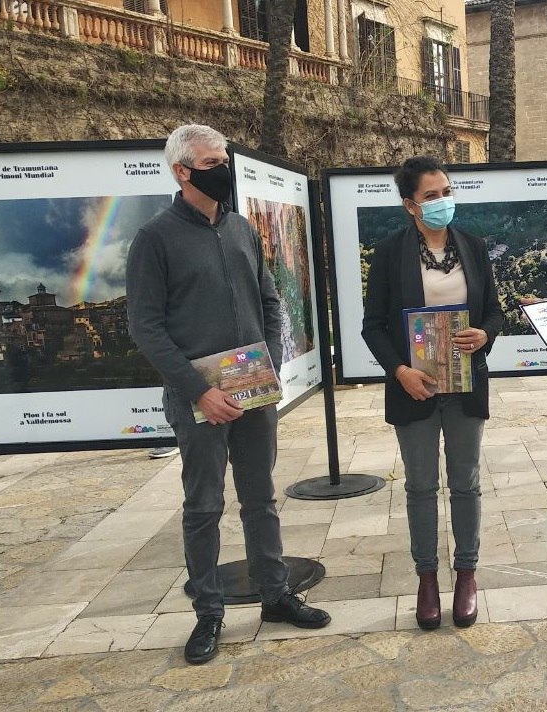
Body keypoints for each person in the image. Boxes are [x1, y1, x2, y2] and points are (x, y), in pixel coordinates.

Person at [126, 124, 330, 665]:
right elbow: (145, 326)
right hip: (199, 399)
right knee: (203, 506)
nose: (225, 169)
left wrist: (269, 361)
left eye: (225, 159)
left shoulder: (240, 227)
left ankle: (275, 593)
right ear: (182, 171)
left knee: (260, 498)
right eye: (213, 162)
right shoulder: (155, 239)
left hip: (251, 389)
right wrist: (200, 391)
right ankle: (208, 612)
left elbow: (267, 299)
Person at [361, 155, 502, 630]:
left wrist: (484, 334)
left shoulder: (474, 247)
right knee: (421, 486)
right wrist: (400, 370)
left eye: (446, 191)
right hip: (414, 389)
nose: (443, 201)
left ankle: (466, 574)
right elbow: (373, 326)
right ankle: (426, 578)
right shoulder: (389, 253)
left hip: (465, 385)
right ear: (410, 205)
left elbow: (495, 312)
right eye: (431, 196)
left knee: (465, 483)